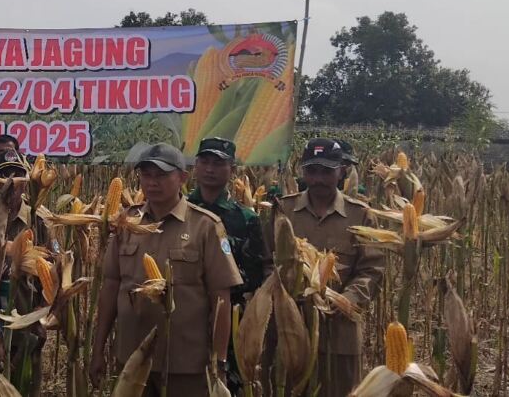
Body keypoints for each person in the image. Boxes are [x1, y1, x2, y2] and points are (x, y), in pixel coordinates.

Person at [89, 143, 242, 395]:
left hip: (185, 364)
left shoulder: (205, 226)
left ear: (182, 177)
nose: (152, 182)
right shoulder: (126, 223)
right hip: (131, 358)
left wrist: (220, 361)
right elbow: (111, 287)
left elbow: (221, 298)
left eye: (161, 175)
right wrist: (97, 349)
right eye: (146, 175)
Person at [274, 138, 384, 397]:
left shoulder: (362, 215)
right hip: (292, 328)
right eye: (312, 171)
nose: (318, 179)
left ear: (342, 171)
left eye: (326, 171)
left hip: (340, 333)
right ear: (303, 172)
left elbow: (372, 269)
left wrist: (346, 299)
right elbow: (270, 262)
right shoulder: (284, 210)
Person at [187, 137, 272, 394]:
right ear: (196, 166)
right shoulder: (180, 210)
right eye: (205, 162)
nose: (210, 169)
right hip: (185, 314)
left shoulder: (247, 218)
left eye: (218, 163)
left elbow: (260, 271)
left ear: (232, 170)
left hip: (233, 317)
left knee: (226, 384)